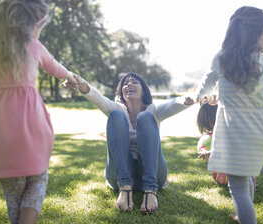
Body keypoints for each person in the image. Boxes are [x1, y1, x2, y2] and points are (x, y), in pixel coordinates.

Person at [0, 0, 77, 224]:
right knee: (38, 179)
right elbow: (55, 67)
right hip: (28, 129)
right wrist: (70, 77)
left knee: (13, 192)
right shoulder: (33, 46)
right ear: (33, 22)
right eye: (40, 27)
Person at [66, 72, 195, 213]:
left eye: (134, 82)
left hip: (151, 173)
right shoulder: (117, 109)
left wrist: (188, 100)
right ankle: (125, 189)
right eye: (126, 83)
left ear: (143, 90)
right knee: (115, 116)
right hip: (121, 175)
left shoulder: (154, 110)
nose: (129, 84)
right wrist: (81, 83)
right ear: (121, 92)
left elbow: (174, 104)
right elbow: (98, 98)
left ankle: (151, 190)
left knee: (146, 117)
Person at [195, 6, 263, 224]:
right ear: (257, 35)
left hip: (234, 129)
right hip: (261, 129)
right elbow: (248, 93)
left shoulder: (222, 58)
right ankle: (244, 215)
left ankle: (247, 219)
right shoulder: (261, 61)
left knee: (237, 187)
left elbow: (207, 82)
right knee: (247, 175)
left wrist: (197, 96)